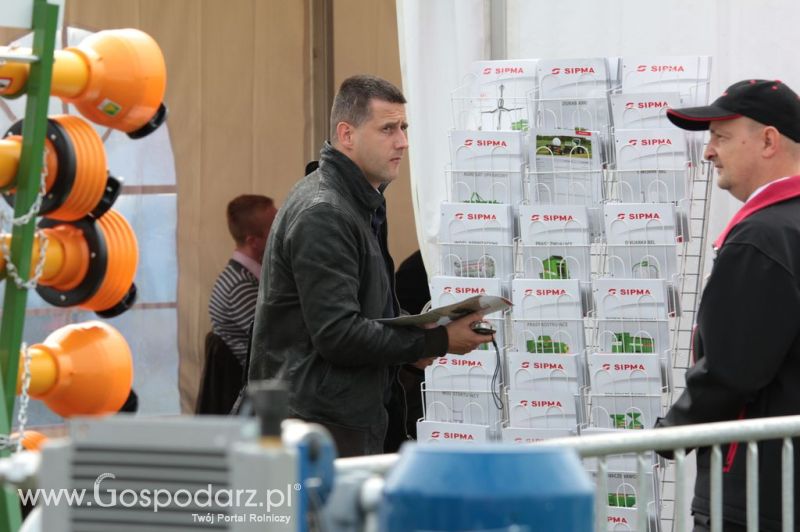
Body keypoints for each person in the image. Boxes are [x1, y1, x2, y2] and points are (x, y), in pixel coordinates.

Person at [248, 75, 488, 457]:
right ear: (347, 135)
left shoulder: (361, 199)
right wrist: (438, 340)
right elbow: (338, 335)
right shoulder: (325, 212)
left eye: (404, 128)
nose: (403, 142)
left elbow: (363, 310)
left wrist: (416, 332)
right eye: (388, 129)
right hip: (316, 428)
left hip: (336, 418)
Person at [657, 79, 800, 532]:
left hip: (757, 494)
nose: (708, 152)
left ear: (769, 140)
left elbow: (732, 370)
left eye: (720, 137)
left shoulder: (763, 237)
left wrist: (671, 432)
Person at [200, 195, 277, 414]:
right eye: (275, 225)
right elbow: (275, 344)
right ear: (253, 241)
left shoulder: (244, 277)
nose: (283, 229)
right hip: (256, 401)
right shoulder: (240, 287)